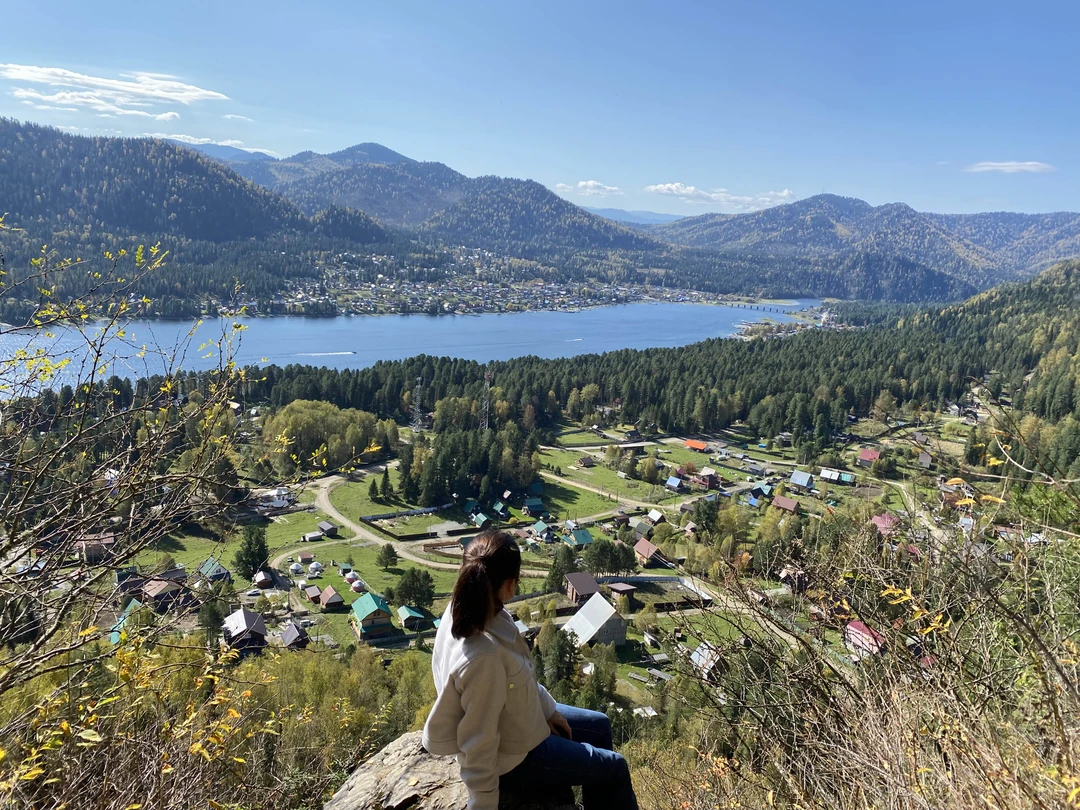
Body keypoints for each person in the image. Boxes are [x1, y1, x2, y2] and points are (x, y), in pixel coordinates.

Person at [423, 529, 638, 810]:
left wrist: (547, 709)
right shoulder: (482, 658)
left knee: (599, 725)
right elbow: (478, 740)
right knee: (616, 768)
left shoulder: (469, 608)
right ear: (510, 585)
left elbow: (519, 677)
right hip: (513, 756)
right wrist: (483, 803)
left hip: (518, 719)